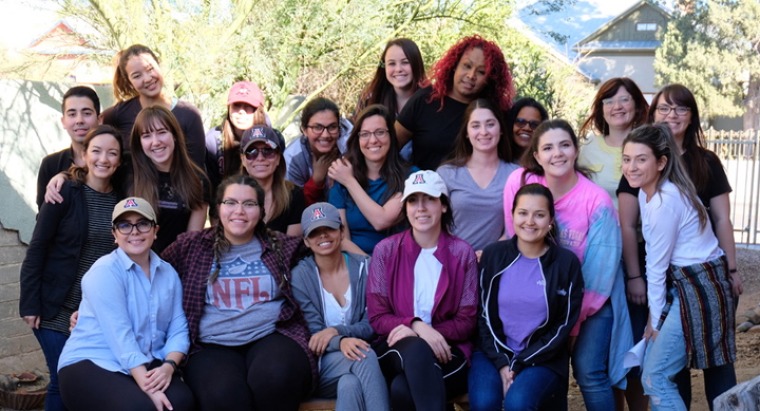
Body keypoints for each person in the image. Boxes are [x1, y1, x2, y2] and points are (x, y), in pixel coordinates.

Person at [617, 84, 742, 409]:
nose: (631, 167)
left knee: (659, 375)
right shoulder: (651, 190)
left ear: (660, 162)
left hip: (698, 283)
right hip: (690, 282)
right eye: (626, 159)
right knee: (663, 374)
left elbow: (656, 269)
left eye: (640, 160)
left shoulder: (663, 201)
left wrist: (654, 324)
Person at [503, 120, 632, 411]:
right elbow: (516, 246)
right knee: (547, 370)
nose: (556, 153)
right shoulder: (520, 183)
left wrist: (568, 329)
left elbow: (599, 276)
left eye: (564, 145)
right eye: (547, 147)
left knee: (588, 370)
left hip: (591, 303)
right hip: (540, 301)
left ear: (575, 150)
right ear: (536, 155)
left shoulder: (596, 200)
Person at [161, 174, 316, 411]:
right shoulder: (190, 246)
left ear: (261, 211)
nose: (239, 211)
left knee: (276, 378)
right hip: (211, 344)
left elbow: (326, 250)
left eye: (249, 204)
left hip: (272, 334)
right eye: (231, 202)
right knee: (224, 396)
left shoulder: (282, 246)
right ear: (218, 208)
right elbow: (148, 272)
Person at [20, 125, 124, 411]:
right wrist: (30, 303)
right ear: (84, 155)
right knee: (62, 380)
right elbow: (38, 246)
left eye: (112, 153)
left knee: (86, 383)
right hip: (54, 308)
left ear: (119, 160)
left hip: (93, 312)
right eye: (96, 151)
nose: (103, 159)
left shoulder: (121, 200)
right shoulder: (65, 190)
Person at [57, 197, 194, 411]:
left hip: (145, 360)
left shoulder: (168, 273)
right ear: (114, 234)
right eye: (124, 225)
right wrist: (149, 388)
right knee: (139, 408)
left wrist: (169, 366)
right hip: (92, 360)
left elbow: (178, 327)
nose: (134, 231)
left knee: (182, 402)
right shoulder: (104, 271)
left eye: (143, 223)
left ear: (155, 230)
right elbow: (120, 335)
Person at [367, 170, 477, 411]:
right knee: (416, 350)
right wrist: (417, 327)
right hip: (396, 347)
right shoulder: (385, 251)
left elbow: (467, 321)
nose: (421, 208)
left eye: (429, 199)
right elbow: (377, 317)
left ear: (444, 206)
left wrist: (433, 333)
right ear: (405, 208)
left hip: (448, 350)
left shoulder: (462, 253)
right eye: (413, 201)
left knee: (402, 390)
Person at [468, 183, 583, 411]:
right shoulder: (493, 255)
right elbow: (482, 315)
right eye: (523, 213)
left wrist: (520, 363)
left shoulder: (566, 263)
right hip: (493, 352)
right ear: (512, 216)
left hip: (543, 357)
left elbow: (563, 325)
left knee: (518, 403)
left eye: (539, 215)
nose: (530, 221)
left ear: (550, 220)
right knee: (484, 403)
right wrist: (503, 362)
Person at [577, 77, 649, 410]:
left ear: (636, 105)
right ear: (600, 108)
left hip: (641, 258)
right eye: (609, 100)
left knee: (635, 349)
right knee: (607, 351)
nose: (617, 106)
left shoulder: (648, 145)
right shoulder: (585, 150)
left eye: (624, 99)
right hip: (598, 261)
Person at [291, 202, 390, 411]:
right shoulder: (301, 276)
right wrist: (341, 342)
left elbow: (372, 321)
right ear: (306, 241)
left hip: (355, 365)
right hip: (320, 365)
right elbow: (315, 336)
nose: (323, 236)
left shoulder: (365, 267)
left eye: (329, 228)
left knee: (349, 385)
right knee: (363, 356)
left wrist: (339, 332)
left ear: (342, 231)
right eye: (315, 232)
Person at [396, 35, 515, 170]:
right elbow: (391, 145)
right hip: (420, 187)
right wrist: (405, 176)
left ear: (489, 79)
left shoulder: (492, 114)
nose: (471, 75)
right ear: (454, 66)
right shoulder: (426, 98)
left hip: (469, 190)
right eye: (467, 66)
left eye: (481, 72)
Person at [102, 44, 206, 168]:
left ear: (159, 65)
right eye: (137, 76)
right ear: (129, 82)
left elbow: (197, 167)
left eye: (150, 69)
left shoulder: (188, 114)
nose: (147, 79)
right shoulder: (119, 114)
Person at [437, 98, 519, 252]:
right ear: (467, 133)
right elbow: (435, 223)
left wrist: (490, 254)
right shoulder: (446, 174)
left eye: (490, 124)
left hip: (497, 263)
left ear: (500, 128)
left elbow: (517, 224)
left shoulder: (515, 174)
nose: (484, 132)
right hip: (452, 262)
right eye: (475, 126)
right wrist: (461, 255)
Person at [328, 104, 412, 255]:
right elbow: (342, 239)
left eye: (380, 132)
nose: (373, 140)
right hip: (356, 264)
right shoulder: (341, 176)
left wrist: (349, 181)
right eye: (365, 134)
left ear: (391, 136)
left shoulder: (410, 177)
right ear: (357, 138)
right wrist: (368, 266)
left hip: (399, 262)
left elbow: (381, 221)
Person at [130, 105, 209, 252]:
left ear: (174, 135)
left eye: (161, 132)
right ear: (139, 142)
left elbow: (192, 241)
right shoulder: (130, 176)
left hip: (177, 266)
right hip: (136, 266)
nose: (155, 142)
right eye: (146, 135)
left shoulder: (197, 180)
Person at [355, 38, 427, 161]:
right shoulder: (370, 99)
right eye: (392, 63)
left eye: (405, 62)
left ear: (416, 64)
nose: (398, 69)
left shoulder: (431, 102)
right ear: (384, 67)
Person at [36, 86, 101, 210]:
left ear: (100, 119)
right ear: (63, 121)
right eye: (72, 114)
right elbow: (42, 215)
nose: (79, 120)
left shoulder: (115, 162)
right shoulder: (51, 165)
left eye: (87, 113)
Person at [205, 80, 269, 199]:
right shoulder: (213, 140)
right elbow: (211, 189)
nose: (241, 112)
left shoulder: (271, 139)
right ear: (229, 108)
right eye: (236, 105)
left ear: (258, 110)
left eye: (248, 106)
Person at [284, 97, 350, 205]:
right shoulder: (292, 158)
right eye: (317, 127)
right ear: (304, 130)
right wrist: (316, 180)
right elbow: (291, 207)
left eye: (332, 127)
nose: (325, 135)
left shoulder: (349, 148)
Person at [241, 125, 305, 236]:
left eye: (268, 151)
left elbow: (292, 247)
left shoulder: (294, 196)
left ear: (278, 158)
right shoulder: (231, 196)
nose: (260, 158)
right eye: (251, 152)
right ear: (243, 159)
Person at [505, 97, 549, 161]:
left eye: (534, 125)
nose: (526, 128)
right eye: (520, 122)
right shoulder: (496, 162)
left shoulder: (548, 164)